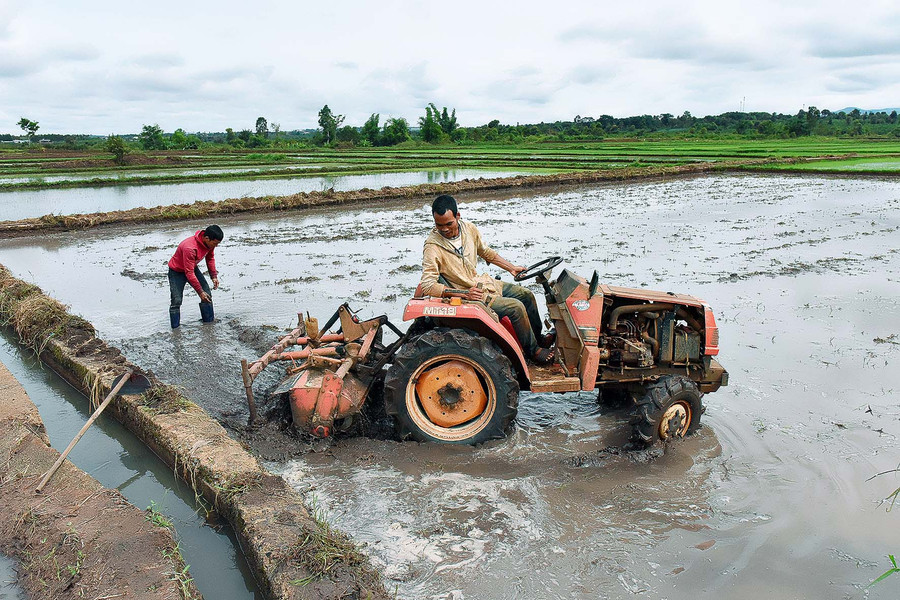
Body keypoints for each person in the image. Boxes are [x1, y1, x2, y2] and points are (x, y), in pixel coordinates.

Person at [419, 195, 555, 364]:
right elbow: (427, 285)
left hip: (482, 283)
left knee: (526, 295)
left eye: (449, 224)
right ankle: (533, 352)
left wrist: (511, 268)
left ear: (458, 216)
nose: (445, 229)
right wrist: (463, 294)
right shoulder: (432, 247)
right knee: (516, 307)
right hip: (467, 295)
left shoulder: (469, 229)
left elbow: (485, 252)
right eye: (439, 225)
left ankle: (537, 339)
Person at [167, 225, 223, 328]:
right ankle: (175, 330)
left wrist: (213, 276)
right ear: (207, 238)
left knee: (207, 294)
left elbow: (210, 258)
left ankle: (209, 324)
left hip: (191, 267)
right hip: (177, 271)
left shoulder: (209, 245)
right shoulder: (190, 248)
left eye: (217, 244)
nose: (216, 246)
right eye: (215, 243)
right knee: (176, 300)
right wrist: (200, 292)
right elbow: (189, 274)